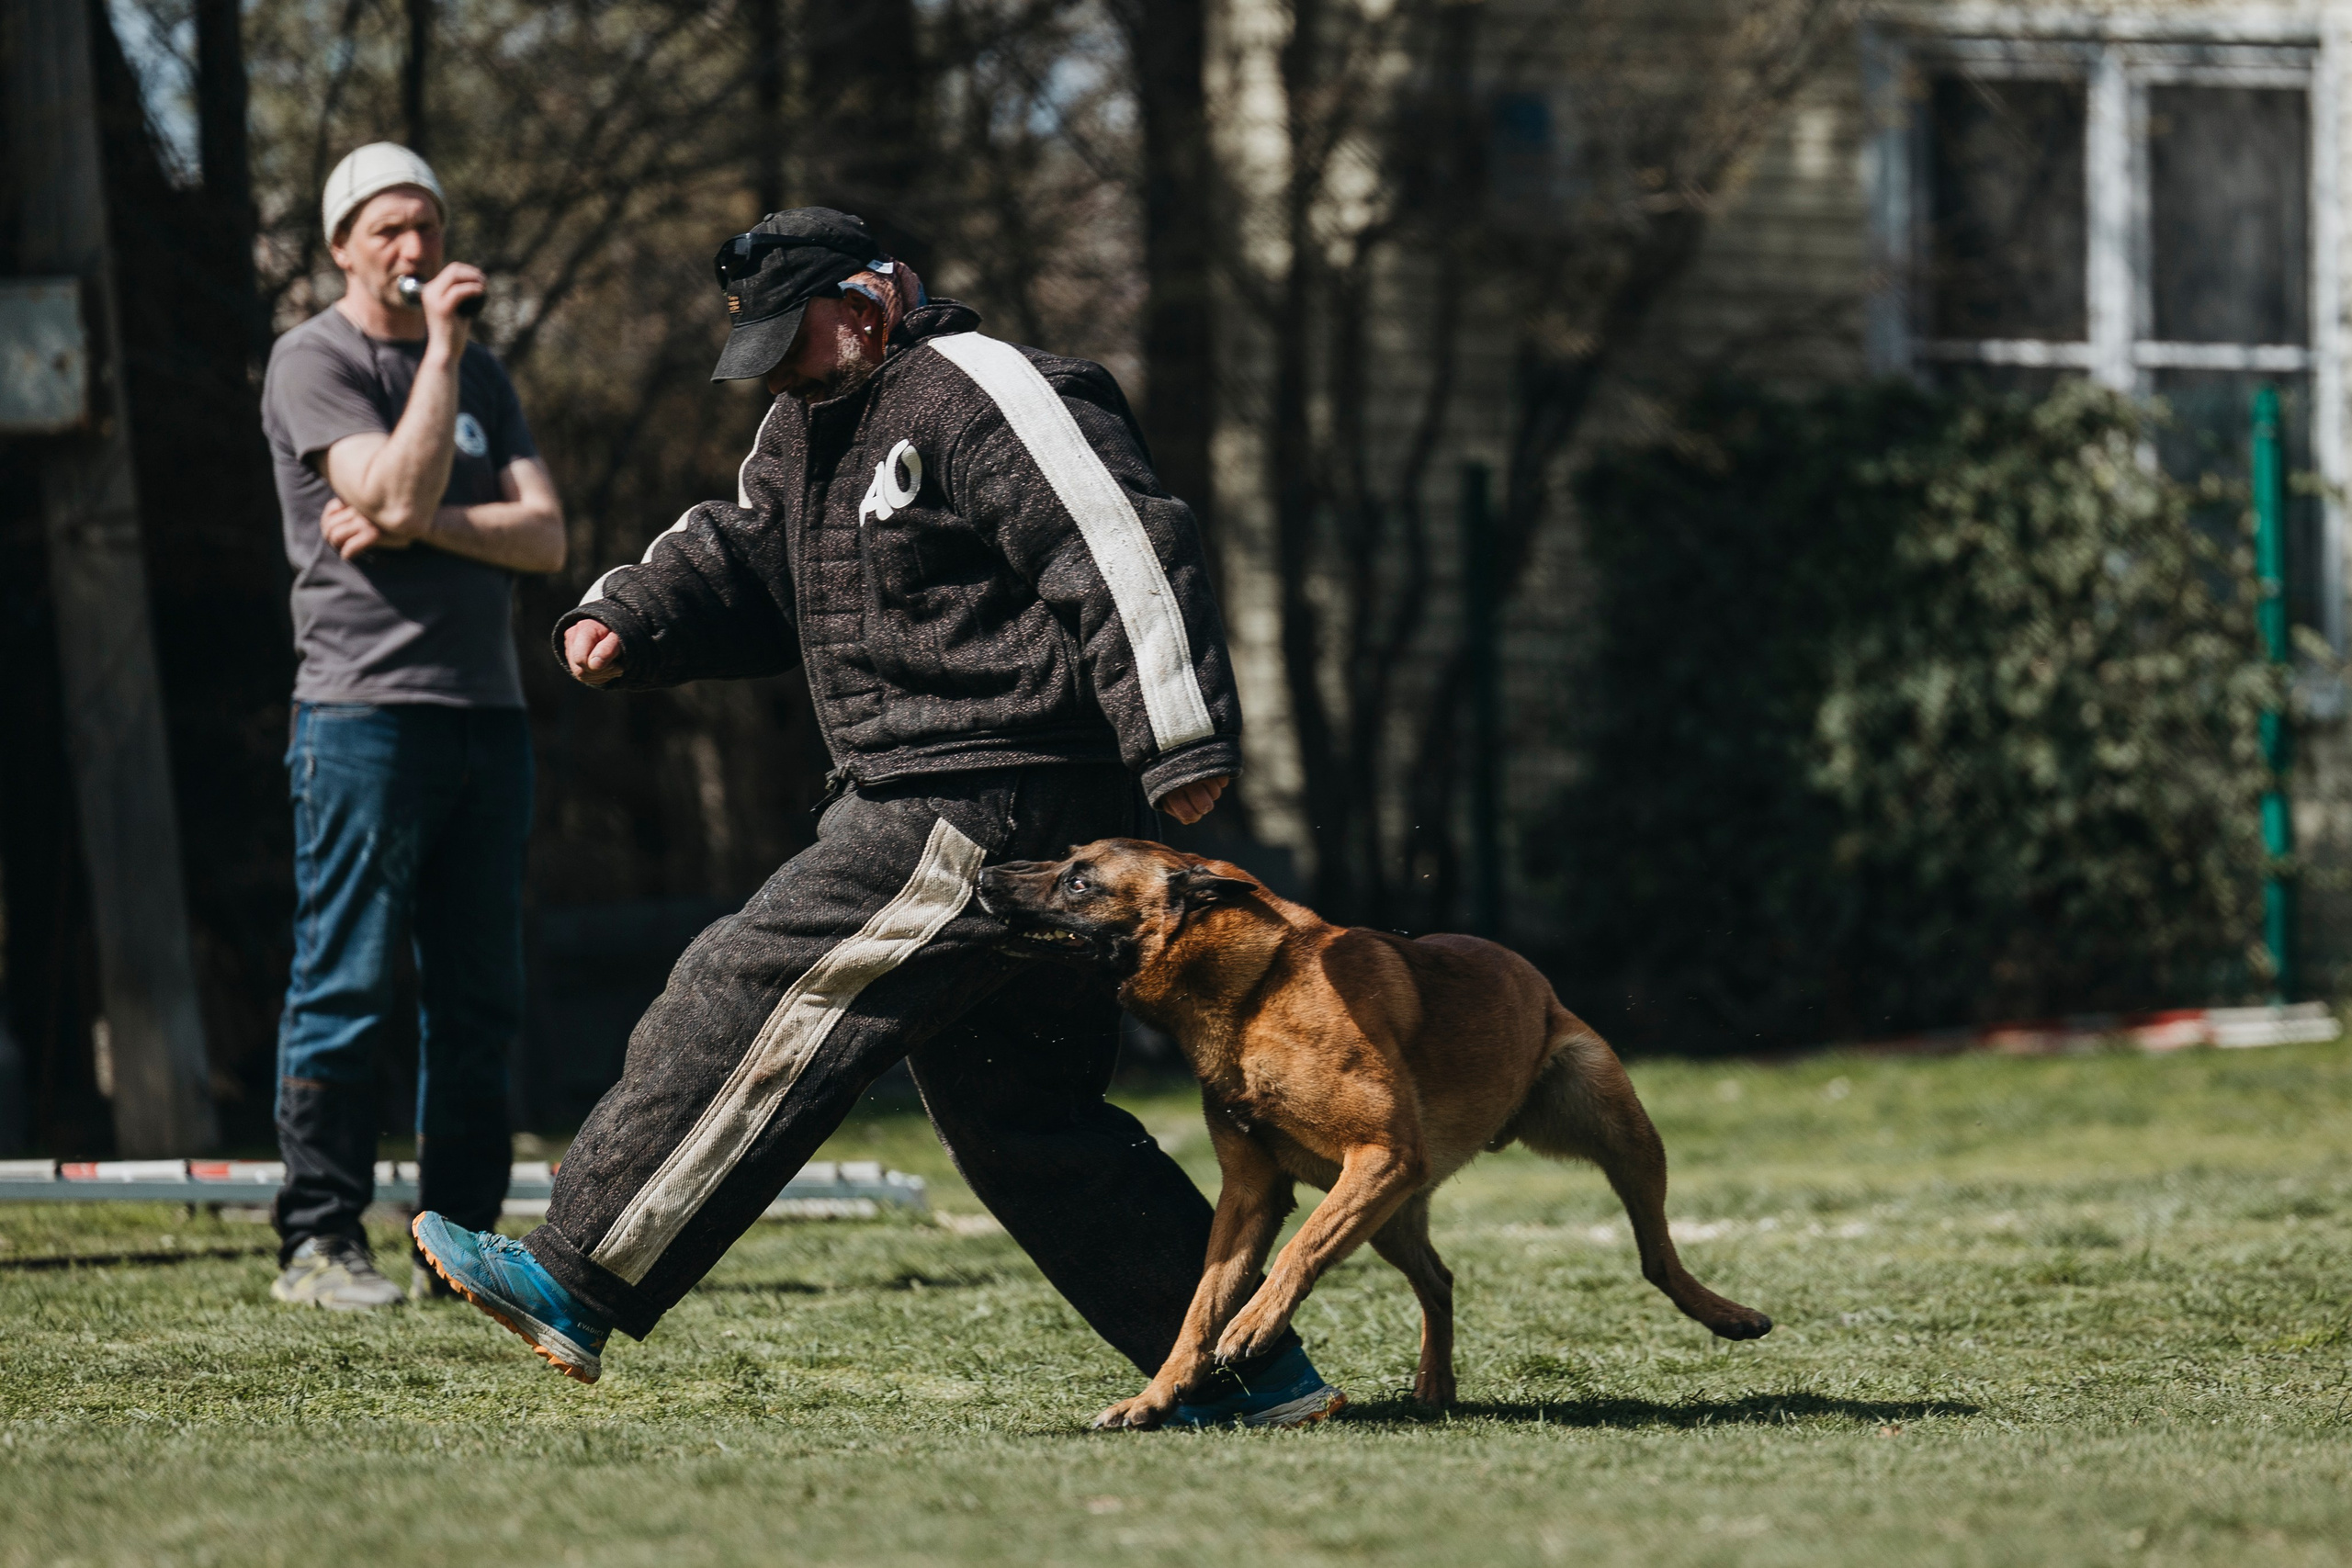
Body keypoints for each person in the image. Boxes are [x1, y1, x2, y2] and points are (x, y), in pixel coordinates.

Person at [412, 208, 1344, 1427]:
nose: (785, 368)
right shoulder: (801, 434)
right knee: (1024, 1114)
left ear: (872, 300)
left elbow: (1117, 538)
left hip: (984, 792)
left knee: (750, 982)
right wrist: (633, 616)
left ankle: (575, 1272)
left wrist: (1176, 736)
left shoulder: (979, 387)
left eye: (798, 337)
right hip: (964, 794)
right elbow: (745, 558)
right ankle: (1247, 1367)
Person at [259, 143, 565, 1309]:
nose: (415, 250)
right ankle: (319, 1241)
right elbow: (380, 492)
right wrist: (435, 354)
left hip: (487, 717)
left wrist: (415, 518)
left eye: (427, 227)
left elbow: (544, 541)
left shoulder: (484, 377)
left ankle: (460, 1246)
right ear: (342, 245)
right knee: (345, 980)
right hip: (361, 714)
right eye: (387, 229)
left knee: (479, 996)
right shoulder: (313, 360)